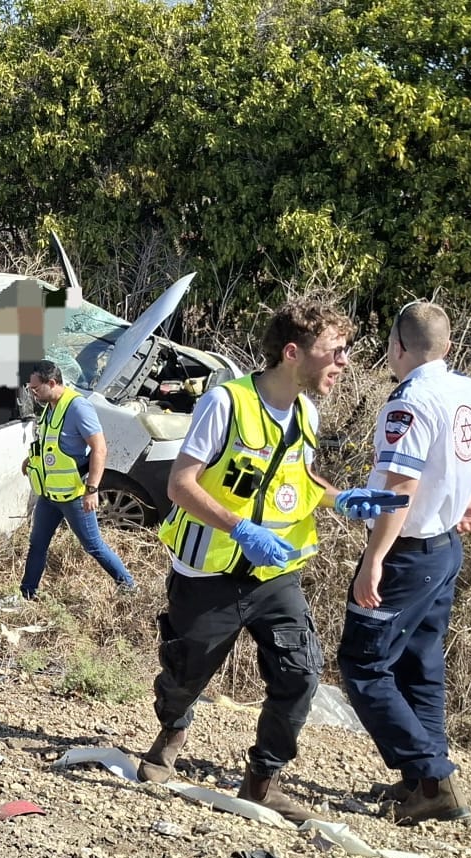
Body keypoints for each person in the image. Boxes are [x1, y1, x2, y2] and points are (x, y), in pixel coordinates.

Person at [132, 301, 397, 823]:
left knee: (301, 673)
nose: (343, 362)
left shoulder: (306, 412)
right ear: (293, 353)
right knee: (185, 673)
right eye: (335, 351)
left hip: (276, 572)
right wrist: (240, 529)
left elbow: (299, 477)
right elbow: (180, 484)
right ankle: (173, 728)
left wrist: (339, 498)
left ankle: (261, 780)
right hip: (209, 570)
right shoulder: (226, 403)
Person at [338, 300, 471, 825]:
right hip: (445, 549)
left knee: (363, 665)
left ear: (396, 347)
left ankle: (432, 779)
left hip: (406, 554)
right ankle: (423, 779)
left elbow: (401, 488)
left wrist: (374, 559)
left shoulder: (409, 403)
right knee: (420, 667)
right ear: (447, 346)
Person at [0, 360, 136, 612]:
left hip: (73, 495)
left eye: (35, 388)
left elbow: (100, 449)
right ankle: (27, 595)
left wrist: (92, 489)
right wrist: (31, 460)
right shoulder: (50, 407)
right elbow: (50, 444)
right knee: (37, 544)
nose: (32, 393)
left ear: (52, 383)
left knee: (93, 545)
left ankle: (128, 586)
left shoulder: (78, 407)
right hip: (49, 495)